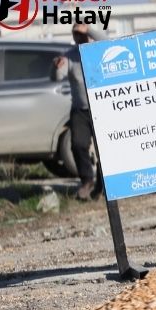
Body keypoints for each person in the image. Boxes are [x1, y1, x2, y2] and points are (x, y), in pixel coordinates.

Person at [52, 22, 105, 200]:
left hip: (101, 108)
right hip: (80, 110)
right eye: (76, 34)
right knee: (78, 145)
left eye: (82, 34)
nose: (79, 37)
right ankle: (87, 181)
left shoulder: (97, 50)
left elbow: (109, 43)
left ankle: (102, 186)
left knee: (104, 150)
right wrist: (56, 67)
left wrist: (88, 29)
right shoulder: (70, 56)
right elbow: (57, 76)